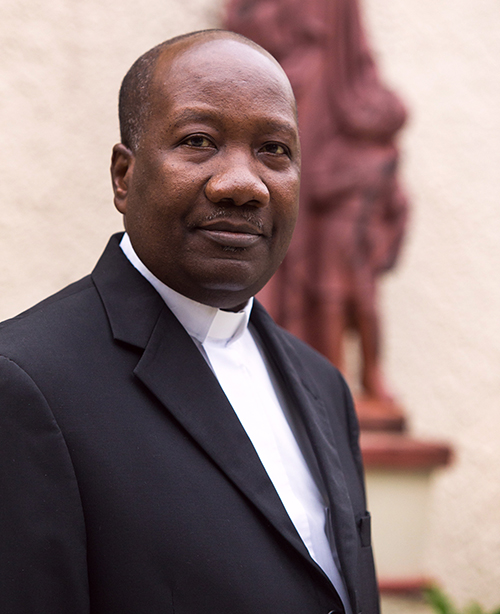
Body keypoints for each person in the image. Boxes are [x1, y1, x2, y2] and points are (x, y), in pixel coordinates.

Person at [0, 30, 378, 614]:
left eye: (274, 150)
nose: (243, 184)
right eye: (198, 140)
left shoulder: (323, 385)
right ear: (123, 177)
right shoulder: (26, 384)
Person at [225, 0, 408, 401]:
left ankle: (331, 381)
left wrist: (375, 105)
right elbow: (238, 26)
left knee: (332, 261)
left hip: (334, 115)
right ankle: (269, 365)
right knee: (279, 232)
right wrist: (287, 22)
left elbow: (358, 51)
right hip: (284, 107)